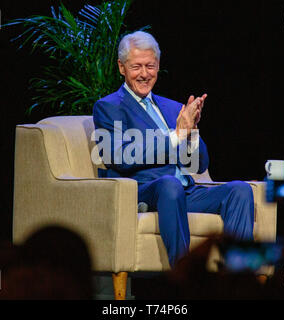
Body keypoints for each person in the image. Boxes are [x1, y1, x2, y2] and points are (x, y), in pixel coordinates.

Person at [93, 31, 254, 267]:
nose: (144, 74)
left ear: (158, 66)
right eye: (136, 66)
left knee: (239, 190)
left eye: (150, 66)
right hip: (143, 191)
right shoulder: (109, 107)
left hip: (183, 192)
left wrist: (190, 134)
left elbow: (198, 165)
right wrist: (176, 134)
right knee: (171, 185)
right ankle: (184, 279)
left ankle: (239, 280)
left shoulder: (171, 108)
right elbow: (119, 157)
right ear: (121, 67)